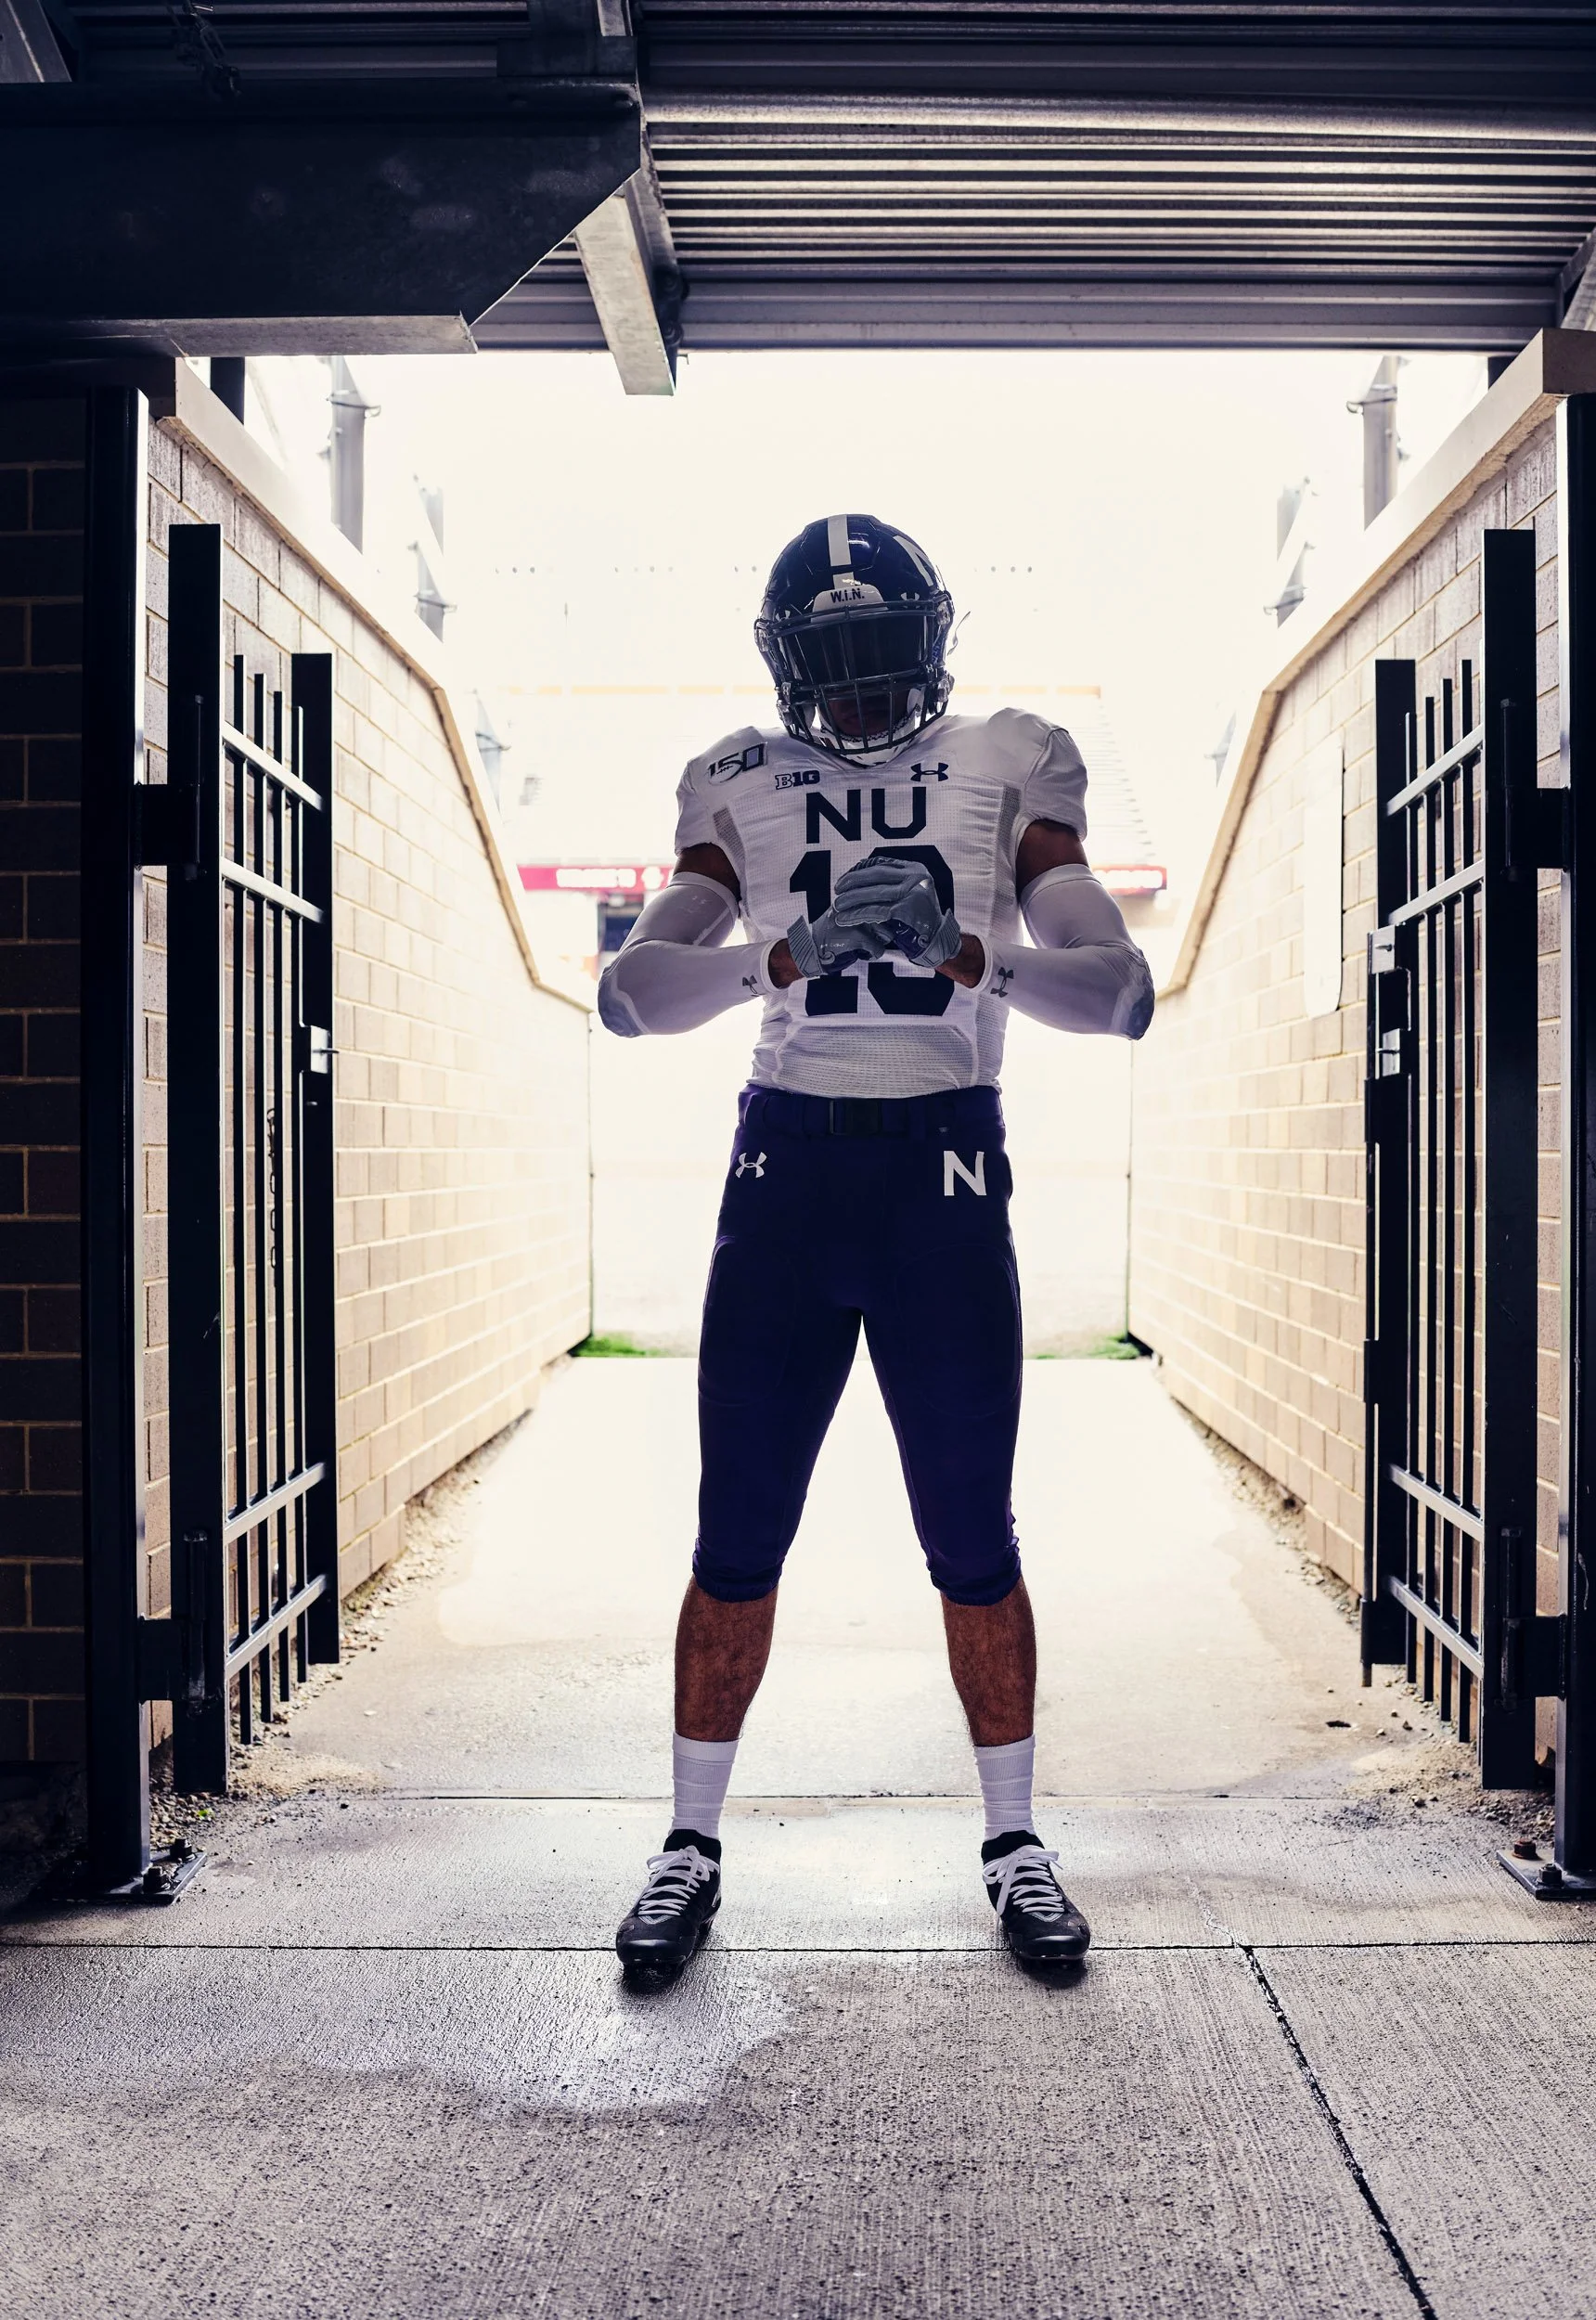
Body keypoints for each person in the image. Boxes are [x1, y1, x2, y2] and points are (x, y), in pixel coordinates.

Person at [598, 514, 1152, 1977]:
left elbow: (1120, 993)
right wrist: (782, 956)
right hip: (784, 1170)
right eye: (827, 668)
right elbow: (633, 997)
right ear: (786, 670)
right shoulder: (740, 780)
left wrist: (974, 956)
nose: (852, 699)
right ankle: (689, 1843)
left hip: (943, 1173)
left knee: (972, 1533)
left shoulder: (1006, 761)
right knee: (739, 1526)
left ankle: (1016, 1839)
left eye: (880, 660)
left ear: (933, 649)